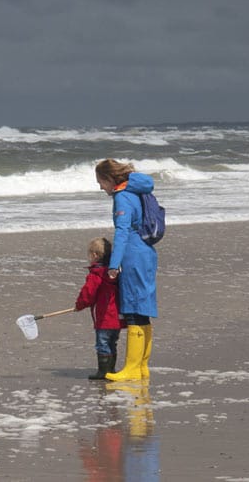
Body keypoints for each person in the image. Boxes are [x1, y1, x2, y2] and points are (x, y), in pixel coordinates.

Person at [94, 159, 158, 381]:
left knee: (132, 311)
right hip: (147, 253)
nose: (100, 187)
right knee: (143, 312)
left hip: (133, 255)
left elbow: (122, 232)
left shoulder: (122, 196)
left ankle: (131, 368)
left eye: (101, 181)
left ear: (110, 179)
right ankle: (141, 367)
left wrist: (113, 265)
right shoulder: (136, 192)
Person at [75, 237, 124, 380]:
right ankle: (111, 370)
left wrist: (80, 305)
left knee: (102, 343)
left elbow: (88, 293)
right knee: (112, 342)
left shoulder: (96, 274)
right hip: (117, 316)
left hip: (105, 316)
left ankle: (104, 371)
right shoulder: (115, 272)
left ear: (95, 255)